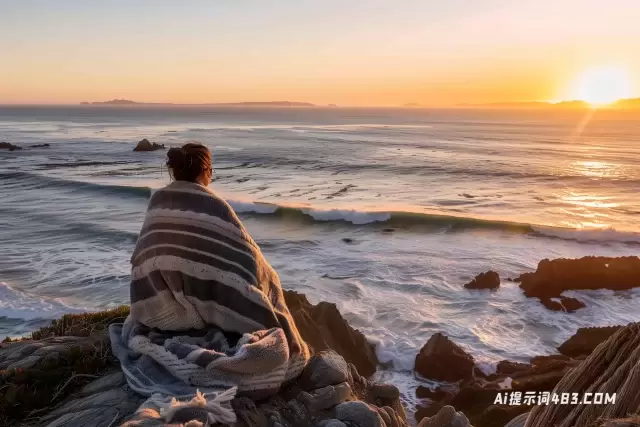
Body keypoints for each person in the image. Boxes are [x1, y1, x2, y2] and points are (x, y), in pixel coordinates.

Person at [110, 142, 310, 411]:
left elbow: (143, 255)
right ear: (206, 170)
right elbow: (247, 259)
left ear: (175, 171)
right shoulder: (213, 205)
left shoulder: (158, 201)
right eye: (211, 170)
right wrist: (268, 282)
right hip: (199, 314)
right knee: (268, 290)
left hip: (156, 311)